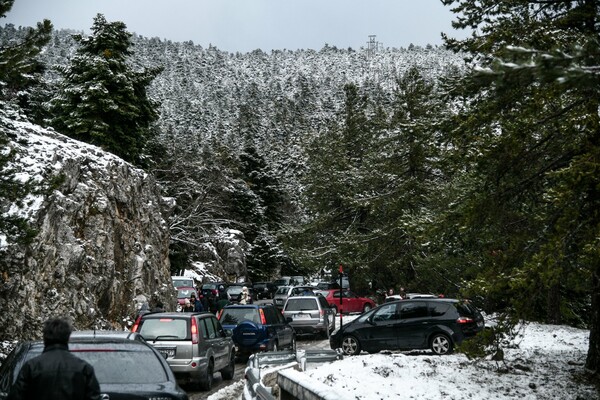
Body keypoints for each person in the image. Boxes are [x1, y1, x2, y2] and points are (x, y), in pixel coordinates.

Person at [8, 317, 101, 400]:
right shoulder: (84, 368)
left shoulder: (31, 367)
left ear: (44, 338)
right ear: (68, 338)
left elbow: (16, 396)